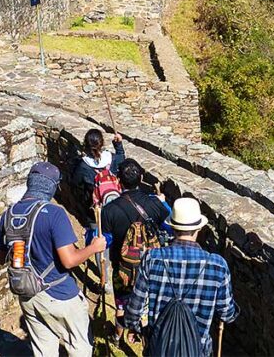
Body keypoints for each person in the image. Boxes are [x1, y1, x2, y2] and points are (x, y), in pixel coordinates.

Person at [0, 161, 106, 357]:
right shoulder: (55, 214)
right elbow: (69, 260)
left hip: (27, 293)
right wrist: (93, 248)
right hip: (59, 293)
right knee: (79, 345)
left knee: (44, 349)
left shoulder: (8, 214)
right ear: (51, 187)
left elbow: (1, 257)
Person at [124, 197, 240, 356]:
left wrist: (137, 328)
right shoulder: (217, 265)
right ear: (199, 229)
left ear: (172, 227)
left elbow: (134, 309)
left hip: (160, 348)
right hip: (198, 350)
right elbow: (227, 314)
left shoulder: (152, 258)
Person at [101, 158, 170, 345]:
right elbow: (170, 226)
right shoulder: (154, 204)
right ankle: (139, 333)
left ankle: (117, 336)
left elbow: (106, 241)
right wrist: (162, 202)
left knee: (122, 303)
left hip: (122, 266)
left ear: (118, 181)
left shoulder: (109, 210)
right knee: (146, 304)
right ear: (141, 178)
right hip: (150, 266)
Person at [74, 129, 125, 291]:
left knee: (99, 241)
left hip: (95, 211)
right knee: (117, 237)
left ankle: (105, 278)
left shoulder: (83, 166)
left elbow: (75, 183)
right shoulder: (111, 159)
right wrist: (119, 144)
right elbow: (122, 159)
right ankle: (121, 270)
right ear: (102, 143)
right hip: (115, 208)